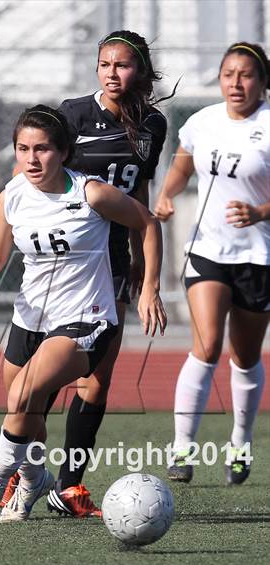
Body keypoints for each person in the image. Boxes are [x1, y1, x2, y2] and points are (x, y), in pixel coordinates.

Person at [0, 105, 166, 521]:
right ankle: (36, 479)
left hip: (86, 318)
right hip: (29, 318)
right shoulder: (12, 194)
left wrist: (150, 289)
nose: (33, 159)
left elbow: (148, 223)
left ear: (64, 151)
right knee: (27, 414)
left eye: (43, 149)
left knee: (23, 395)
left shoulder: (90, 193)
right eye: (23, 149)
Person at [2, 30, 169, 518]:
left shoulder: (152, 124)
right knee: (41, 383)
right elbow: (36, 177)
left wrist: (144, 269)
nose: (112, 74)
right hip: (66, 258)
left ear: (140, 70)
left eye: (122, 65)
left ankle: (68, 489)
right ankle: (24, 473)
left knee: (96, 378)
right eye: (104, 64)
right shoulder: (73, 115)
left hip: (112, 258)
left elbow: (137, 197)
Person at [154, 42, 269, 485]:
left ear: (262, 82)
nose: (236, 83)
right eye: (228, 74)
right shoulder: (203, 122)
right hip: (208, 250)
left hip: (259, 255)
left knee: (244, 357)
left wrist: (259, 212)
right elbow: (181, 169)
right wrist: (166, 194)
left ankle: (240, 443)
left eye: (246, 75)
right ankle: (182, 449)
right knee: (205, 347)